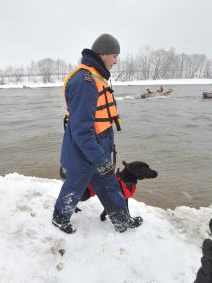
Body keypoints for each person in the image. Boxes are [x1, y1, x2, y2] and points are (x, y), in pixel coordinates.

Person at [52, 34, 141, 234]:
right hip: (83, 153)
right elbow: (81, 130)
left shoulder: (96, 77)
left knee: (109, 185)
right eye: (114, 55)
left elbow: (99, 121)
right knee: (74, 187)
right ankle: (59, 218)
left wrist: (106, 149)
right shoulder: (85, 81)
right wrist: (100, 159)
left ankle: (121, 220)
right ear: (103, 54)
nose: (116, 61)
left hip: (98, 148)